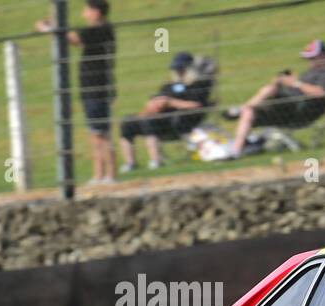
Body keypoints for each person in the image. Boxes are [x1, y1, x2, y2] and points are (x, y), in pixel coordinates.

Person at [35, 0, 116, 184]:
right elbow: (73, 37)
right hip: (92, 87)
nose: (84, 14)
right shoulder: (101, 30)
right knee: (95, 132)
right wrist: (56, 28)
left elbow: (74, 39)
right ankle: (99, 174)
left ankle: (109, 174)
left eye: (87, 10)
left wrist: (51, 28)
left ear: (96, 12)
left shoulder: (99, 30)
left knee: (101, 132)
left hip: (97, 87)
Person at [225, 40, 325, 157]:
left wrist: (295, 82)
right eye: (309, 59)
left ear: (324, 55)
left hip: (296, 111)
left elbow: (321, 93)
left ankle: (240, 112)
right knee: (253, 107)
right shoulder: (313, 71)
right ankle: (236, 148)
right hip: (287, 105)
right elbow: (298, 85)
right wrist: (282, 81)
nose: (311, 62)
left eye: (313, 58)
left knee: (263, 95)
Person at [119, 52, 213, 172]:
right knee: (127, 123)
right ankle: (130, 163)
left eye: (181, 69)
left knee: (150, 122)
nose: (178, 72)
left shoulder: (199, 85)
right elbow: (158, 100)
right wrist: (151, 107)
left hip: (181, 121)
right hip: (160, 116)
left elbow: (197, 105)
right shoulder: (169, 86)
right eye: (176, 69)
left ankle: (156, 160)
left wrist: (170, 102)